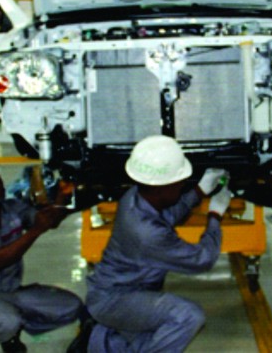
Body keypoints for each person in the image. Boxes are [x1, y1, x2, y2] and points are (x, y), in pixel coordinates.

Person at [84, 135, 233, 352]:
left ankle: (101, 341)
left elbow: (168, 215)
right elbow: (202, 260)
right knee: (187, 316)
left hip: (120, 292)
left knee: (148, 344)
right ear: (159, 189)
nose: (183, 186)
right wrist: (215, 215)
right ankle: (103, 336)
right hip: (115, 301)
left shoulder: (135, 198)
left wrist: (199, 191)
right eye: (179, 183)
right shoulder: (147, 234)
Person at [0, 144, 85, 353]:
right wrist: (35, 231)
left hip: (12, 292)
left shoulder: (12, 208)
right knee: (6, 320)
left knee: (71, 307)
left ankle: (10, 331)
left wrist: (61, 197)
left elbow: (46, 220)